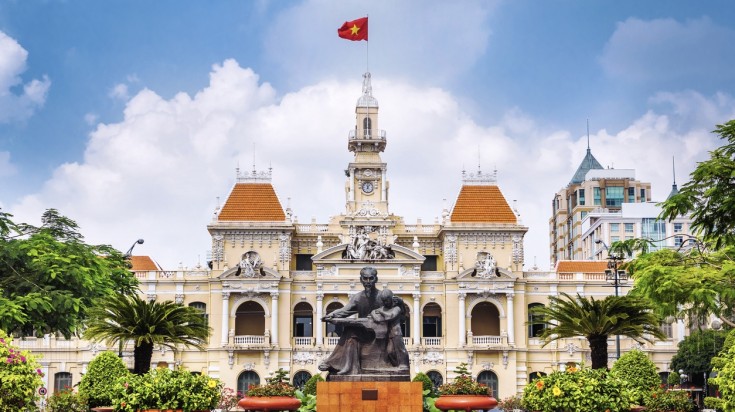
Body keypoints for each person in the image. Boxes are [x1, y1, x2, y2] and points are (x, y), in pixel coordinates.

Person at [319, 266, 381, 375]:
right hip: (364, 331)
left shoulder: (381, 296)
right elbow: (345, 311)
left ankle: (335, 363)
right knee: (350, 330)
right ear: (361, 279)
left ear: (376, 279)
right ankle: (347, 367)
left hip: (379, 333)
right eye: (365, 278)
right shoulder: (358, 297)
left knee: (351, 329)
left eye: (371, 278)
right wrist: (332, 315)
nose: (368, 282)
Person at [368, 289, 409, 369]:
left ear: (391, 299)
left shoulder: (397, 308)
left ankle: (404, 365)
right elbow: (373, 312)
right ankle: (396, 365)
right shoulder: (383, 308)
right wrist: (375, 314)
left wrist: (380, 312)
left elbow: (390, 316)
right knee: (390, 352)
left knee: (401, 349)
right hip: (387, 333)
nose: (385, 303)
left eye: (386, 300)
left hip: (396, 332)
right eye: (383, 301)